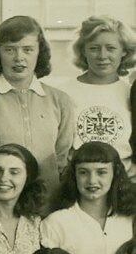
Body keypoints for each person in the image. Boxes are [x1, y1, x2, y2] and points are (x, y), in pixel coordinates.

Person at [0, 15, 75, 200]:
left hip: (47, 205)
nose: (19, 58)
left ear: (39, 53)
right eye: (10, 50)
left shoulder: (60, 101)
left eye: (28, 50)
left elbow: (62, 158)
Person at [42, 141, 135, 254]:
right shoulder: (55, 223)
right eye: (83, 172)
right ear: (74, 176)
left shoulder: (130, 219)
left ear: (115, 174)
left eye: (101, 172)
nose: (92, 180)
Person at [55, 16, 136, 177]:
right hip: (79, 181)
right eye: (94, 48)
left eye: (111, 48)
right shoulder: (62, 93)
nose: (102, 56)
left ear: (124, 51)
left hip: (125, 182)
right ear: (83, 51)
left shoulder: (131, 93)